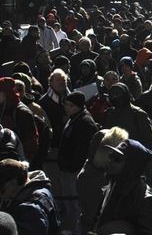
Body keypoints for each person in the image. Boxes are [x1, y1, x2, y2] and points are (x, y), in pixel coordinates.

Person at [0, 158, 59, 235]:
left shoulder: (36, 205)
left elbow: (28, 231)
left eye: (1, 189)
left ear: (14, 182)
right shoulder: (7, 193)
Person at [94, 138, 152, 234]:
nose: (110, 161)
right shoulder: (113, 185)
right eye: (111, 156)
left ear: (131, 165)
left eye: (117, 159)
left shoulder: (147, 201)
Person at [57, 90, 98, 234]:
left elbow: (82, 150)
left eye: (71, 105)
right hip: (68, 169)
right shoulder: (74, 118)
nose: (67, 108)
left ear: (79, 106)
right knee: (69, 203)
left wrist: (72, 166)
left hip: (75, 171)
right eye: (66, 104)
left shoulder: (85, 122)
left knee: (76, 205)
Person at [102, 82, 152, 151]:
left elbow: (149, 142)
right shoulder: (109, 113)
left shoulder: (138, 114)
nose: (115, 97)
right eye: (113, 95)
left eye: (118, 94)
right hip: (110, 156)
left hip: (133, 156)